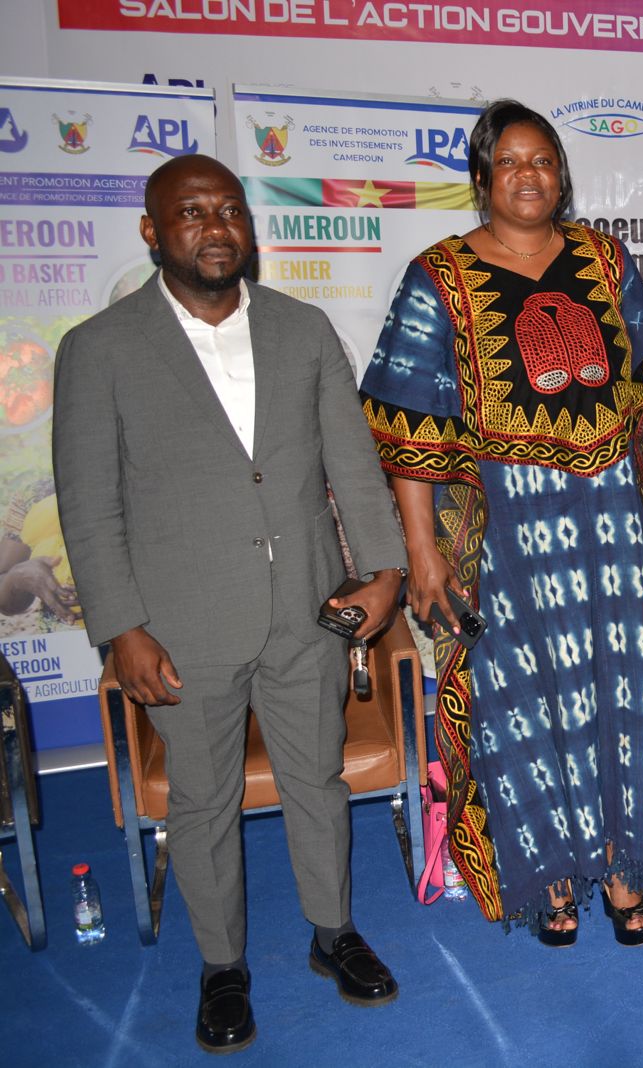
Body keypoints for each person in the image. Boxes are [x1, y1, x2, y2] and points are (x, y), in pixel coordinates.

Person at [53, 154, 408, 1054]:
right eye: (192, 213)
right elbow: (89, 506)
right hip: (182, 625)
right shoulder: (99, 349)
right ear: (152, 230)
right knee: (203, 801)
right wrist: (120, 628)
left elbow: (352, 462)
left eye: (230, 211)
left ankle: (333, 933)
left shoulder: (301, 327)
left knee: (316, 780)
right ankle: (222, 967)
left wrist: (383, 571)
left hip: (306, 609)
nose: (215, 228)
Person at [360, 99, 643, 948]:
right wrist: (423, 552)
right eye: (509, 161)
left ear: (561, 175)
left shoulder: (605, 259)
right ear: (482, 177)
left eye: (543, 160)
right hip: (503, 534)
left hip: (609, 523)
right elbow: (407, 428)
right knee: (522, 701)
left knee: (619, 689)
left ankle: (619, 861)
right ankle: (550, 872)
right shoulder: (438, 277)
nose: (529, 176)